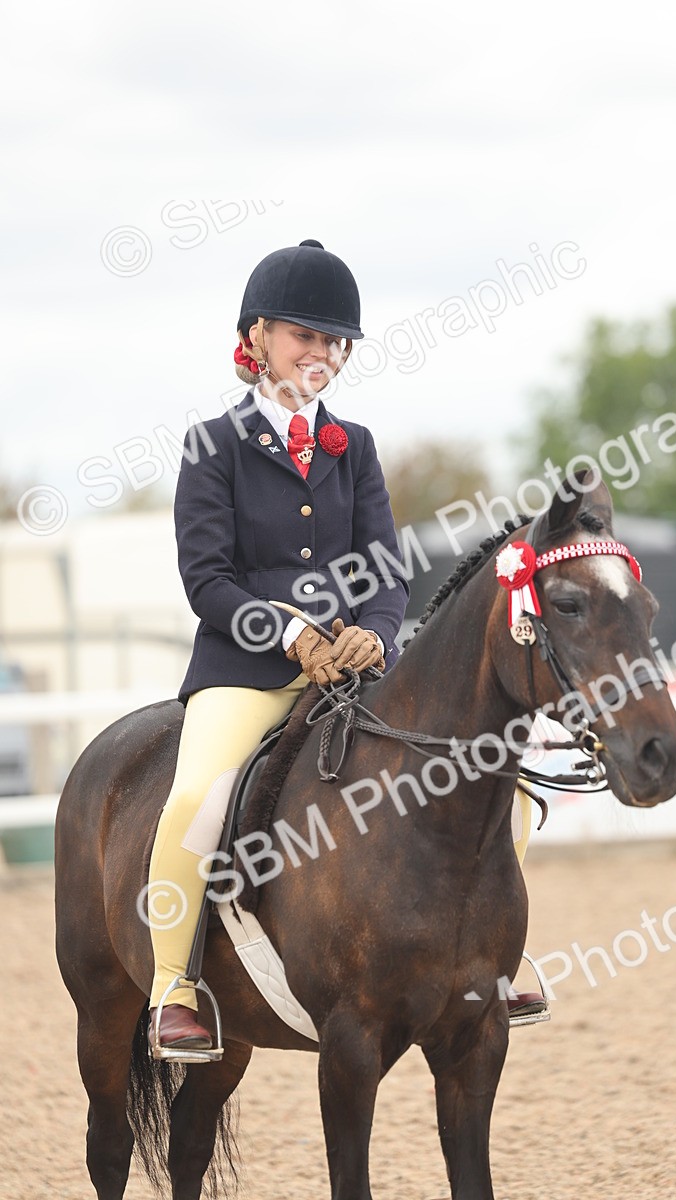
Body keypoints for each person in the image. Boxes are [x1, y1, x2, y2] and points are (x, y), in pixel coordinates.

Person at [147, 239, 410, 1052]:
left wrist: (377, 632)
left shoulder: (355, 446)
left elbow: (387, 569)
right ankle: (173, 986)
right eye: (306, 336)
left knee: (469, 764)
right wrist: (291, 631)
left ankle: (488, 955)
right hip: (248, 669)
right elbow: (208, 579)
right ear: (257, 336)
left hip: (351, 671)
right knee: (195, 803)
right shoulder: (211, 445)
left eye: (335, 342)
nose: (323, 353)